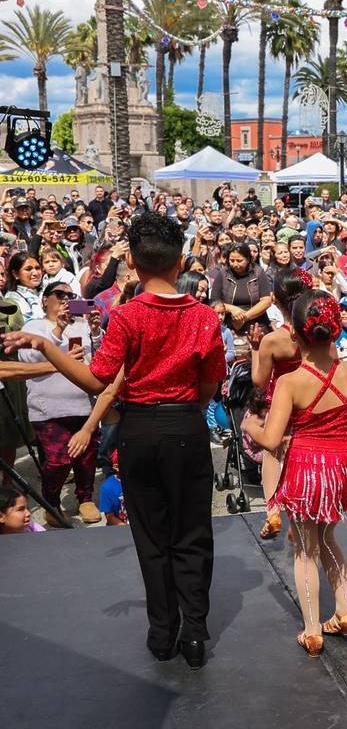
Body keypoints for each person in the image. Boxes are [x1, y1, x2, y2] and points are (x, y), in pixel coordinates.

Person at [5, 213, 227, 669]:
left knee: (151, 533)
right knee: (192, 531)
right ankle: (195, 633)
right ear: (181, 260)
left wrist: (48, 347)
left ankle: (163, 632)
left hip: (141, 429)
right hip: (186, 425)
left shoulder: (126, 316)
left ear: (131, 262)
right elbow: (210, 385)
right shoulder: (204, 317)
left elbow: (96, 379)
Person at [243, 289, 347, 657]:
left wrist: (250, 426)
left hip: (306, 467)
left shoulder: (290, 381)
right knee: (327, 537)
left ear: (296, 336)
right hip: (340, 464)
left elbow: (270, 439)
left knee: (305, 549)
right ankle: (345, 611)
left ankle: (313, 629)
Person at [16, 281, 104, 525]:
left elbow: (98, 359)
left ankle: (85, 498)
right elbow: (28, 358)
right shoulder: (34, 326)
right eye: (59, 294)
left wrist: (96, 331)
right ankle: (51, 503)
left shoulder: (83, 325)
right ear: (45, 299)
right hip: (48, 409)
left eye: (71, 295)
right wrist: (57, 332)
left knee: (86, 457)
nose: (66, 299)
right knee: (57, 460)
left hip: (83, 404)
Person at [249, 268, 311, 540]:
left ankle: (273, 508)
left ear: (274, 299)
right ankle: (300, 511)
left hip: (279, 401)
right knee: (302, 454)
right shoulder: (318, 334)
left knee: (273, 455)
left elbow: (260, 381)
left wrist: (254, 348)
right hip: (309, 399)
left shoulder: (273, 340)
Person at [209, 242, 273, 335]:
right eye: (232, 260)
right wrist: (232, 309)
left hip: (257, 325)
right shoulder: (223, 274)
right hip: (228, 326)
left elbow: (266, 301)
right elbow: (214, 301)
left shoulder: (258, 272)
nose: (235, 264)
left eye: (239, 261)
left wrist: (244, 317)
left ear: (248, 259)